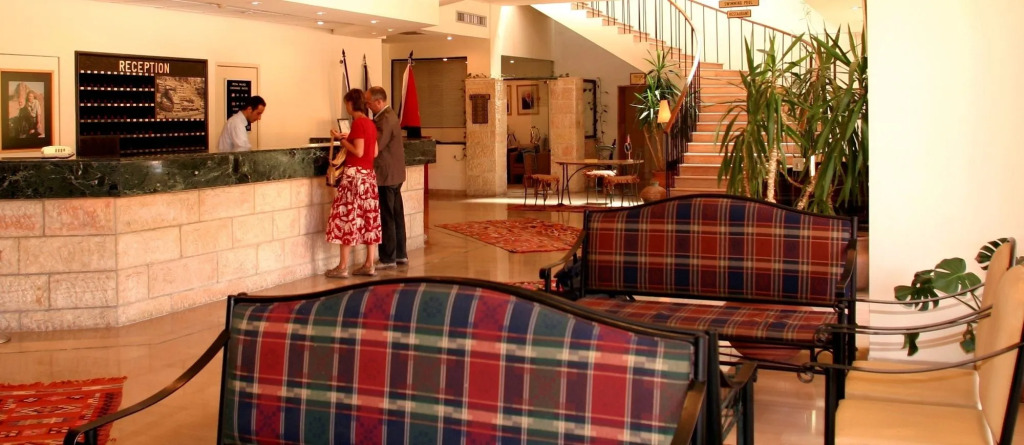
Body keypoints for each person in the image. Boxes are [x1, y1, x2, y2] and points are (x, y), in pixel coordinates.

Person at [324, 88, 382, 278]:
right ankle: (369, 264)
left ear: (350, 104)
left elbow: (358, 151)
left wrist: (342, 142)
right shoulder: (371, 124)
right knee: (369, 219)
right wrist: (348, 138)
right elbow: (374, 152)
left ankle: (342, 267)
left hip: (354, 177)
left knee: (348, 218)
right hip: (369, 177)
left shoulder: (358, 123)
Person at [365, 86, 408, 269]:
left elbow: (376, 145)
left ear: (379, 102)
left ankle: (388, 257)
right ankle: (400, 254)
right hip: (394, 174)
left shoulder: (384, 119)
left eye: (369, 103)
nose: (367, 106)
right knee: (396, 215)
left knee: (387, 217)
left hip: (386, 175)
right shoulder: (390, 115)